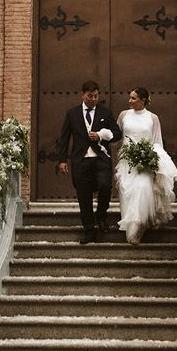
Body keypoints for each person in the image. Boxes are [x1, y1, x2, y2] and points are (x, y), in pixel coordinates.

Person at [58, 80, 122, 244]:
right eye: (90, 96)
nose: (94, 99)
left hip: (101, 159)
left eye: (96, 96)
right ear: (82, 95)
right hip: (81, 161)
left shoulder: (105, 112)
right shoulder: (71, 114)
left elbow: (117, 134)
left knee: (105, 187)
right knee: (83, 196)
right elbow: (64, 138)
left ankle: (101, 216)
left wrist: (101, 135)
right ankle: (89, 231)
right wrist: (62, 160)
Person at [115, 87, 177, 245]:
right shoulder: (123, 115)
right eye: (129, 98)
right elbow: (117, 137)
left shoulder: (153, 118)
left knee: (142, 188)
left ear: (143, 100)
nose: (129, 101)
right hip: (127, 161)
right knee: (128, 193)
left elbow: (157, 141)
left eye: (133, 98)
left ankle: (136, 230)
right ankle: (131, 225)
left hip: (145, 161)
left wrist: (152, 158)